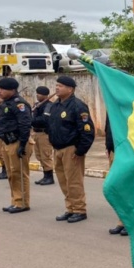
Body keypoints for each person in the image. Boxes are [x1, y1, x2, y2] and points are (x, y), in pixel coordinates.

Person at [48, 76, 95, 223]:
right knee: (63, 180)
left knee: (74, 181)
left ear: (70, 89)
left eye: (60, 86)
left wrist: (80, 151)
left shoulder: (78, 106)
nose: (57, 88)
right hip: (57, 148)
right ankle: (70, 208)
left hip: (71, 149)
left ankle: (79, 209)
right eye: (56, 85)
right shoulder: (55, 105)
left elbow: (87, 130)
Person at [0, 77, 33, 213]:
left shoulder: (19, 104)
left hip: (18, 142)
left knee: (20, 173)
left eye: (2, 89)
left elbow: (25, 125)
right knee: (12, 173)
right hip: (7, 142)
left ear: (11, 90)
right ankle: (16, 200)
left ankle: (22, 203)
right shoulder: (7, 103)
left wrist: (22, 145)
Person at [32, 86, 55, 186]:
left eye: (39, 94)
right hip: (36, 132)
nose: (37, 95)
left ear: (45, 95)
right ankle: (45, 176)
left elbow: (44, 119)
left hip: (44, 133)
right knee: (39, 155)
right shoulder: (37, 105)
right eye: (37, 93)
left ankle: (49, 177)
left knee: (45, 155)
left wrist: (31, 120)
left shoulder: (49, 105)